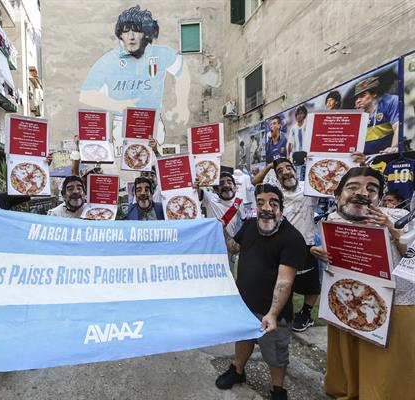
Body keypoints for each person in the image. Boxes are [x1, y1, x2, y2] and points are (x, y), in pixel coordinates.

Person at [310, 167, 413, 400]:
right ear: (338, 196)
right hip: (349, 305)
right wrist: (317, 251)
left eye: (371, 188)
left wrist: (392, 229)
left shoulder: (398, 217)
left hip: (396, 307)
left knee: (384, 374)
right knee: (350, 359)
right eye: (353, 187)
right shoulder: (333, 219)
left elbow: (413, 256)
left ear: (379, 198)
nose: (362, 192)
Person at [216, 184, 305, 400]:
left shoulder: (292, 238)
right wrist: (219, 230)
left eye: (273, 203)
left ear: (281, 208)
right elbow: (234, 247)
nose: (266, 208)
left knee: (275, 353)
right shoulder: (248, 226)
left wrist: (273, 313)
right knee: (243, 340)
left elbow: (285, 280)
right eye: (261, 202)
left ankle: (278, 389)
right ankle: (237, 371)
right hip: (245, 305)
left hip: (271, 311)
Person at [79, 5, 190, 149]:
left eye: (136, 30)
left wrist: (182, 105)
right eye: (126, 31)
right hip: (122, 123)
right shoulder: (108, 60)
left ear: (145, 33)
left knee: (153, 165)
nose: (131, 36)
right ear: (120, 35)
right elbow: (86, 94)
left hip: (152, 123)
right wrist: (118, 104)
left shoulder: (161, 53)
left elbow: (183, 71)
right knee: (125, 167)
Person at [252, 158, 320, 332]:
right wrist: (270, 165)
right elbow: (255, 182)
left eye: (288, 168)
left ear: (295, 170)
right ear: (277, 177)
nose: (285, 172)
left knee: (310, 284)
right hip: (280, 244)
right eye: (280, 171)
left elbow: (334, 185)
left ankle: (306, 313)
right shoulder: (276, 192)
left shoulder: (309, 187)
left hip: (305, 243)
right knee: (280, 281)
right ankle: (276, 313)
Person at [353, 76, 399, 154]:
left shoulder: (390, 101)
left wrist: (393, 147)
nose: (358, 101)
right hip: (366, 159)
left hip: (386, 155)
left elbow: (398, 126)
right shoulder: (356, 116)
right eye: (356, 98)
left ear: (374, 94)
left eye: (362, 96)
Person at [196, 172, 246, 238]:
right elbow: (196, 191)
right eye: (221, 183)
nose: (226, 185)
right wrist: (195, 183)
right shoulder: (209, 198)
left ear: (235, 187)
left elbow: (244, 221)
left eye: (229, 182)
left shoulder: (239, 202)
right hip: (212, 240)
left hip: (230, 243)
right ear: (216, 190)